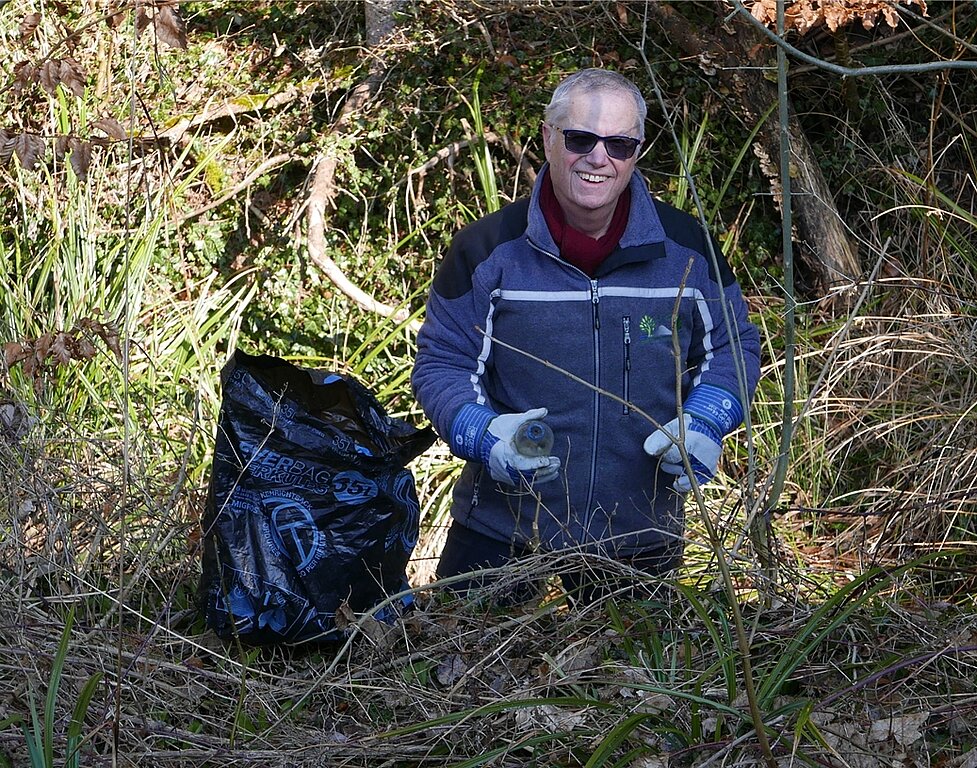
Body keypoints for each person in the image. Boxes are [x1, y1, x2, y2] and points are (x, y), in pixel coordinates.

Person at [411, 68, 761, 602]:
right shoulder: (486, 251)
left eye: (620, 144)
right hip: (501, 528)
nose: (599, 158)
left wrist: (706, 421)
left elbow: (732, 349)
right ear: (549, 138)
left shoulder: (687, 250)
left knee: (628, 679)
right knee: (462, 673)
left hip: (637, 532)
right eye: (580, 139)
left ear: (637, 152)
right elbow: (443, 364)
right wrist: (484, 434)